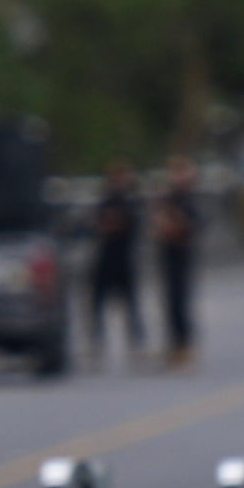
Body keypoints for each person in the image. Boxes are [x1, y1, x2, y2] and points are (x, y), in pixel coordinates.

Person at [84, 161, 146, 368]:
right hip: (105, 258)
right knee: (97, 302)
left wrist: (114, 222)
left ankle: (136, 345)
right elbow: (98, 225)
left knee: (131, 304)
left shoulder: (132, 200)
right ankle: (96, 343)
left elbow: (128, 224)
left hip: (125, 258)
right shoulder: (105, 200)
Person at [150, 156, 202, 370]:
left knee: (181, 300)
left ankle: (184, 344)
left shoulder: (187, 199)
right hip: (167, 254)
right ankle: (174, 344)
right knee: (169, 301)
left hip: (182, 254)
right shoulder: (169, 198)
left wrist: (176, 225)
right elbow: (157, 225)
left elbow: (191, 226)